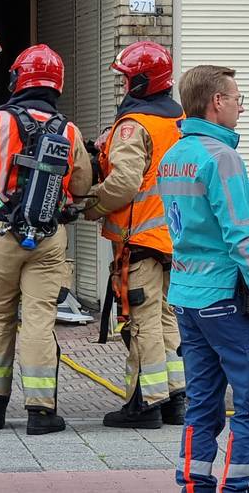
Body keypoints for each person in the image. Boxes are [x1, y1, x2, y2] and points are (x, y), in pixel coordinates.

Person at [0, 44, 90, 435]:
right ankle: (40, 411)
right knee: (38, 320)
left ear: (19, 79)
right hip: (49, 238)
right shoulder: (68, 130)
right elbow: (82, 185)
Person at [157, 64, 249, 493]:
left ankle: (194, 482)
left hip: (188, 295)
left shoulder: (175, 156)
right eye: (238, 99)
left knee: (203, 403)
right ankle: (240, 486)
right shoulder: (222, 157)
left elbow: (199, 217)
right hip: (226, 299)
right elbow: (241, 239)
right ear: (217, 102)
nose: (241, 108)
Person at [72, 41, 187, 429]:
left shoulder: (134, 125)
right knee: (166, 316)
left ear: (140, 82)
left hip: (140, 240)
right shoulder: (178, 120)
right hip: (173, 239)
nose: (122, 88)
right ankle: (174, 398)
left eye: (124, 80)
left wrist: (91, 206)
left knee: (142, 322)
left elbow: (123, 183)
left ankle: (144, 404)